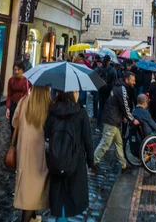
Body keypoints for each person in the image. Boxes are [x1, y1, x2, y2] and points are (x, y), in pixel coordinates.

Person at [44, 90, 94, 221]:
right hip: (75, 159)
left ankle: (60, 218)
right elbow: (88, 139)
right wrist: (91, 161)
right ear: (72, 93)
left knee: (58, 193)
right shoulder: (81, 113)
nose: (78, 93)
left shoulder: (52, 110)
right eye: (76, 90)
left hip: (56, 158)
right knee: (71, 193)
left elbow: (46, 134)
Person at [13, 85, 51, 222]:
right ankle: (27, 218)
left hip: (23, 152)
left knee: (27, 187)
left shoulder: (23, 101)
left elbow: (14, 122)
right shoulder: (49, 105)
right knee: (34, 188)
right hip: (40, 155)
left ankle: (33, 217)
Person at [93, 71, 140, 170]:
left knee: (118, 143)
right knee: (105, 143)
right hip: (112, 120)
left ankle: (123, 164)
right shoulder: (122, 89)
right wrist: (132, 119)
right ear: (127, 80)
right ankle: (93, 162)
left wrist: (123, 116)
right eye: (132, 80)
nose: (134, 83)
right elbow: (125, 105)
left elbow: (118, 104)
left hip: (113, 118)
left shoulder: (119, 86)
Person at [6, 61, 30, 132]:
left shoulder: (27, 81)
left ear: (22, 70)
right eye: (15, 70)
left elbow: (29, 93)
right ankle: (13, 141)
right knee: (12, 125)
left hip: (23, 106)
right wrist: (8, 107)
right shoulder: (11, 80)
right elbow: (9, 95)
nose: (16, 72)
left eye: (18, 70)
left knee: (21, 127)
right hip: (13, 105)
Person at [96, 55, 117, 131]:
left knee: (101, 109)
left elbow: (92, 75)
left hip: (101, 90)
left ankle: (99, 125)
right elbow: (115, 81)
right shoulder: (112, 70)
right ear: (109, 61)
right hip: (109, 91)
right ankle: (106, 125)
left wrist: (98, 85)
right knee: (108, 109)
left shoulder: (99, 69)